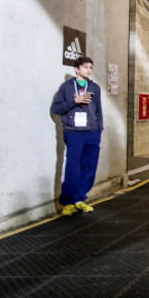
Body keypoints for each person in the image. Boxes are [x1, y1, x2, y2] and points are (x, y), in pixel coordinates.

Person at [51, 56, 103, 217]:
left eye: (90, 68)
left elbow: (98, 110)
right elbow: (57, 108)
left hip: (92, 132)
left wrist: (99, 128)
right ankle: (67, 203)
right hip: (74, 132)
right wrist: (75, 101)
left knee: (89, 167)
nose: (89, 70)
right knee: (73, 167)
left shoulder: (94, 87)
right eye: (86, 67)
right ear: (77, 69)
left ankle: (80, 199)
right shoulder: (66, 88)